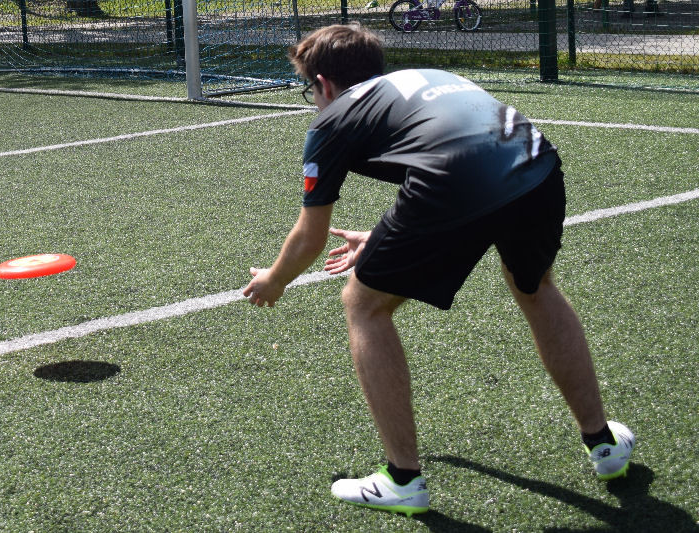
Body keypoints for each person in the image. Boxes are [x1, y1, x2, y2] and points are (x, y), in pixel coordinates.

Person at [242, 23, 635, 517]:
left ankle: (402, 478)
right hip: (536, 167)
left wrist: (274, 280)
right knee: (534, 288)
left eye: (309, 91)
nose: (314, 102)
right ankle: (603, 442)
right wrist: (384, 236)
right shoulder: (429, 76)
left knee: (364, 305)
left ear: (322, 84)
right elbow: (449, 147)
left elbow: (309, 237)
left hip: (457, 183)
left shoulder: (331, 119)